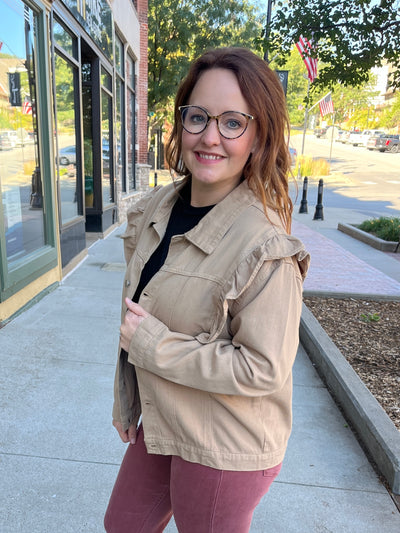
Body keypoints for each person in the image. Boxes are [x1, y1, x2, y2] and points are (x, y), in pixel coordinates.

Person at [104, 47, 309, 533]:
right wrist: (126, 400)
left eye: (233, 122)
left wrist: (155, 348)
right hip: (162, 419)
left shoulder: (265, 246)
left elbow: (263, 367)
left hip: (226, 443)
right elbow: (138, 312)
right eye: (198, 117)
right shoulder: (156, 208)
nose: (210, 136)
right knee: (125, 525)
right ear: (181, 122)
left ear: (259, 135)